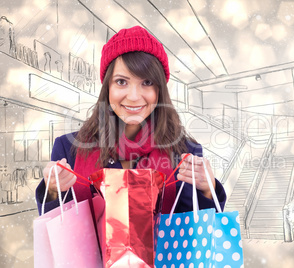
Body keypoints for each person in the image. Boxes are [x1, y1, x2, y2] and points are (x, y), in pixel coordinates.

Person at [35, 26, 226, 215]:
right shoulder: (69, 149)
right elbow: (58, 230)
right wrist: (52, 190)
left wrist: (207, 190)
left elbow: (199, 235)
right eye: (121, 82)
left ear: (159, 90)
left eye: (147, 82)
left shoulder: (185, 153)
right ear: (107, 87)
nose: (134, 96)